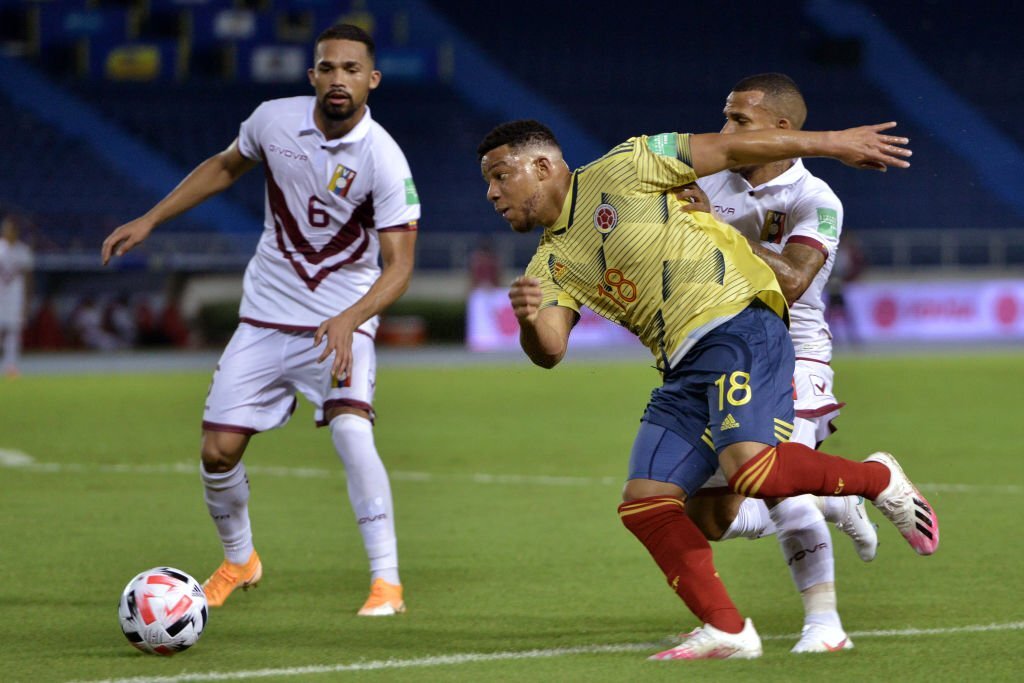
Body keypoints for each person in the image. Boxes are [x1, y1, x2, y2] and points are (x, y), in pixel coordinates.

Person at [477, 119, 938, 660]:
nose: (491, 193)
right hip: (680, 365)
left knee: (753, 469)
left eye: (500, 176)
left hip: (738, 321)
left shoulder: (627, 163)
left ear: (544, 166)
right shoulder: (550, 263)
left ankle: (876, 478)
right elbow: (551, 350)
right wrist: (530, 322)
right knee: (650, 505)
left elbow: (732, 146)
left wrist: (832, 145)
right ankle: (727, 629)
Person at [101, 23, 420, 617]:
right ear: (313, 76)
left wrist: (352, 317)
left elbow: (400, 268)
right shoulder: (273, 120)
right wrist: (151, 219)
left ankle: (387, 584)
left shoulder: (384, 158)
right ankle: (240, 560)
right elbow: (224, 167)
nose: (338, 79)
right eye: (328, 67)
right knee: (217, 452)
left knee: (352, 432)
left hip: (339, 322)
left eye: (352, 69)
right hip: (266, 317)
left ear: (372, 80)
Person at [675, 72, 875, 653]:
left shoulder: (816, 200)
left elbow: (790, 282)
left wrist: (710, 226)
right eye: (725, 117)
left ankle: (825, 626)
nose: (724, 131)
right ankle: (835, 495)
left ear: (782, 130)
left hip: (794, 353)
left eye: (740, 121)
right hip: (722, 353)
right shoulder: (706, 179)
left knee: (777, 481)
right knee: (707, 517)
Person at [0, 214, 34, 377]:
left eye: (13, 229)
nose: (10, 232)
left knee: (13, 333)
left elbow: (28, 279)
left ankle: (10, 365)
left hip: (15, 298)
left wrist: (27, 302)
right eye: (7, 229)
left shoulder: (23, 251)